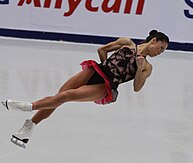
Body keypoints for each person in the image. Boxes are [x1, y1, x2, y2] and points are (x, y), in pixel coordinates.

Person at [1, 30, 169, 147]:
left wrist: (138, 68)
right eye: (161, 48)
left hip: (105, 86)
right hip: (96, 71)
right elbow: (102, 49)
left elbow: (137, 88)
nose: (160, 52)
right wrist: (106, 65)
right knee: (58, 97)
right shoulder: (127, 43)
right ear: (153, 41)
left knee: (67, 96)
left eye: (163, 51)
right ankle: (28, 129)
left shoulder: (147, 66)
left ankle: (27, 106)